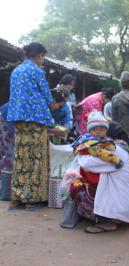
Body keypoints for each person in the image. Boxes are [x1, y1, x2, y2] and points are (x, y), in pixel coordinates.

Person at [7, 42, 57, 211]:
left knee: (21, 156)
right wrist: (54, 104)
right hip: (35, 120)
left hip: (18, 119)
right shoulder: (36, 70)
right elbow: (47, 96)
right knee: (36, 157)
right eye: (43, 57)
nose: (43, 60)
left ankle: (15, 198)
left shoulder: (16, 71)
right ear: (39, 55)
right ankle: (31, 200)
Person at [69, 122, 129, 233]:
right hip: (126, 207)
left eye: (101, 130)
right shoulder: (123, 147)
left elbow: (87, 164)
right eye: (95, 130)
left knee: (78, 188)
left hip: (118, 208)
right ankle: (108, 218)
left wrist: (81, 152)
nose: (97, 133)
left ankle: (107, 221)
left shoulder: (113, 150)